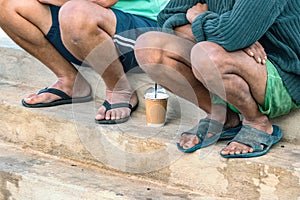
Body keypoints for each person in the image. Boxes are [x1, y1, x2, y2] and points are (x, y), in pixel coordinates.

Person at [134, 0, 300, 158]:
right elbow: (166, 18)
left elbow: (233, 35)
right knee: (149, 47)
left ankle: (257, 123)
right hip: (232, 58)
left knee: (206, 54)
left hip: (282, 72)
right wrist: (222, 32)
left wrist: (199, 19)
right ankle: (221, 116)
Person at [0, 0, 168, 124]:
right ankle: (69, 80)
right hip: (87, 20)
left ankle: (119, 88)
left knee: (75, 13)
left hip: (142, 30)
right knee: (6, 4)